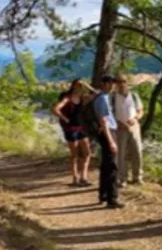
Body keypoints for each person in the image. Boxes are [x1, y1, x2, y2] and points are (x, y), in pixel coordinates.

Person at [51, 79, 94, 187]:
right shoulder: (67, 98)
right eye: (78, 85)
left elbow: (97, 94)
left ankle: (84, 177)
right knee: (74, 155)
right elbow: (56, 109)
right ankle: (75, 178)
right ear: (73, 86)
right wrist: (64, 119)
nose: (79, 87)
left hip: (81, 128)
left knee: (87, 153)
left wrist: (88, 86)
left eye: (81, 85)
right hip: (71, 129)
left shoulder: (82, 98)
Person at [93, 75, 124, 209]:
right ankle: (112, 198)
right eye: (110, 83)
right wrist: (111, 141)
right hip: (108, 132)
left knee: (106, 165)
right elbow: (103, 121)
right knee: (112, 166)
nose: (112, 86)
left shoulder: (104, 97)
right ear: (104, 83)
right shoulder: (102, 99)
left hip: (109, 131)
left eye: (113, 83)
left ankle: (103, 195)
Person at [112, 76, 144, 186]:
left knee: (137, 151)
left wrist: (135, 119)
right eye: (119, 81)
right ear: (115, 84)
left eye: (124, 81)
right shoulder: (113, 97)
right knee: (121, 154)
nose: (121, 84)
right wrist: (118, 123)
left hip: (134, 127)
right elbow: (110, 114)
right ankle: (122, 178)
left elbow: (140, 111)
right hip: (119, 128)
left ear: (127, 82)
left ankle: (137, 177)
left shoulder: (134, 96)